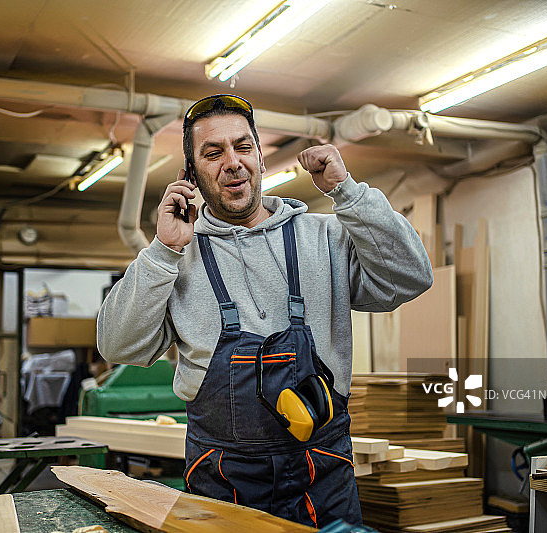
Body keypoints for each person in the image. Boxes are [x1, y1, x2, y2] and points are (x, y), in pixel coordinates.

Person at [97, 94, 432, 527]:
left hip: (321, 473)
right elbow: (116, 345)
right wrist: (163, 251)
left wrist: (347, 193)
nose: (232, 162)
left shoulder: (323, 237)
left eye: (242, 146)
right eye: (212, 153)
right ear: (191, 174)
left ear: (259, 155)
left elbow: (411, 276)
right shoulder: (178, 256)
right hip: (223, 480)